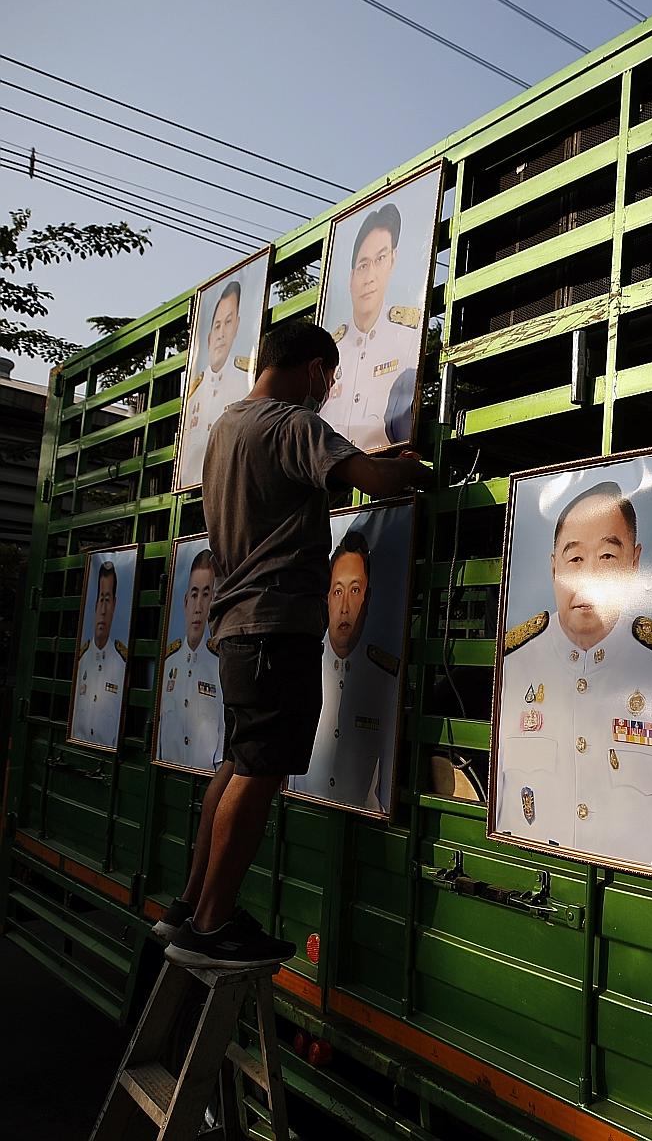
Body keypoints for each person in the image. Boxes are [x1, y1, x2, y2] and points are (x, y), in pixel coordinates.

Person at [156, 318, 431, 968]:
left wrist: (366, 466)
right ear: (313, 370)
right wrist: (410, 468)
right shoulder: (295, 424)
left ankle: (194, 906)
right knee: (259, 772)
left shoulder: (228, 428)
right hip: (277, 626)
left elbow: (310, 482)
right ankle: (213, 922)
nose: (328, 392)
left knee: (238, 764)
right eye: (329, 379)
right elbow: (378, 482)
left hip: (238, 630)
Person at [494, 481, 652, 873]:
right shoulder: (513, 664)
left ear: (634, 563)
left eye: (606, 557)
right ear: (553, 565)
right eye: (574, 560)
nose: (588, 578)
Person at [287, 530, 402, 813]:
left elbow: (385, 786)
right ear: (326, 597)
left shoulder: (385, 675)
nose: (345, 607)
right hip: (301, 807)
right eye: (337, 591)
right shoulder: (303, 662)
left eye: (355, 590)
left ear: (369, 597)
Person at [320, 202, 422, 452]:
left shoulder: (409, 339)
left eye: (381, 259)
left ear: (393, 262)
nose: (370, 277)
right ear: (351, 276)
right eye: (363, 265)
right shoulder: (330, 350)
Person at [178, 278, 251, 487]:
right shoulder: (195, 391)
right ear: (209, 337)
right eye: (217, 325)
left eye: (228, 323)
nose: (221, 334)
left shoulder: (244, 382)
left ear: (237, 327)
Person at [156, 548, 223, 771]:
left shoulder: (221, 666)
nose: (198, 607)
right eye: (194, 594)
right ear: (185, 602)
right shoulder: (168, 665)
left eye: (206, 595)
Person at [72, 559, 129, 749]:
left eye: (108, 601)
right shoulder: (82, 659)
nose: (103, 611)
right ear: (95, 605)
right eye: (101, 600)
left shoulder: (122, 662)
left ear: (114, 605)